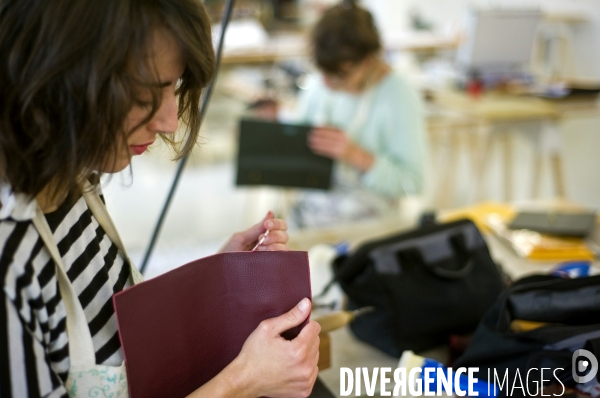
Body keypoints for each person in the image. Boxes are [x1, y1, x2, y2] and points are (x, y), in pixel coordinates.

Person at [0, 0, 320, 397]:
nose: (170, 120)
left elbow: (120, 337)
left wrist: (220, 284)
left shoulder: (72, 177)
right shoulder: (10, 256)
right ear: (62, 77)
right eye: (146, 94)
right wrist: (242, 381)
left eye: (174, 87)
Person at [291, 0, 427, 228]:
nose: (328, 83)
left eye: (340, 75)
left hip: (371, 224)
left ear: (368, 61)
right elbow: (295, 149)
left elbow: (413, 182)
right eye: (323, 72)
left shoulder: (398, 96)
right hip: (313, 215)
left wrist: (356, 156)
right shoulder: (318, 85)